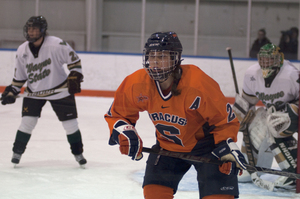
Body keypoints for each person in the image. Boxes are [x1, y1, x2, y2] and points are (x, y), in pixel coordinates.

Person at [104, 31, 246, 199]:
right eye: (151, 56)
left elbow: (224, 120)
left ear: (175, 59)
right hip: (167, 147)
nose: (155, 62)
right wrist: (125, 131)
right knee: (154, 194)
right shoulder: (137, 84)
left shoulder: (197, 84)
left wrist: (227, 145)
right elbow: (118, 114)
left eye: (162, 56)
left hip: (208, 149)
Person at [0, 15, 87, 167]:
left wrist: (75, 75)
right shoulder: (22, 50)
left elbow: (75, 62)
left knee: (70, 124)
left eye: (34, 29)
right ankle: (17, 153)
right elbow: (19, 78)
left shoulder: (57, 44)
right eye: (29, 29)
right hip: (34, 92)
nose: (31, 32)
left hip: (60, 91)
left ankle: (78, 153)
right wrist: (11, 92)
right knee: (27, 122)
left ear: (42, 30)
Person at [233, 43, 299, 189]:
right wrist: (240, 116)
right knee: (255, 121)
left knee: (275, 124)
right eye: (263, 59)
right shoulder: (252, 73)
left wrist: (292, 110)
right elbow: (248, 101)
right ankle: (250, 166)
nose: (266, 63)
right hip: (275, 113)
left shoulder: (291, 74)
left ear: (279, 59)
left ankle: (292, 173)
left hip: (294, 112)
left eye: (270, 59)